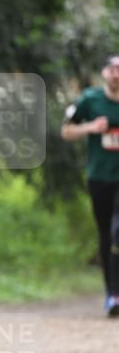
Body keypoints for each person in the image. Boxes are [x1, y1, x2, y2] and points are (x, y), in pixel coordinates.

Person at [61, 54, 119, 317]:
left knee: (118, 231)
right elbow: (66, 131)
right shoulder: (90, 100)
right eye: (112, 69)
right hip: (100, 177)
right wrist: (91, 127)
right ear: (104, 73)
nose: (116, 74)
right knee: (106, 234)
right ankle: (111, 293)